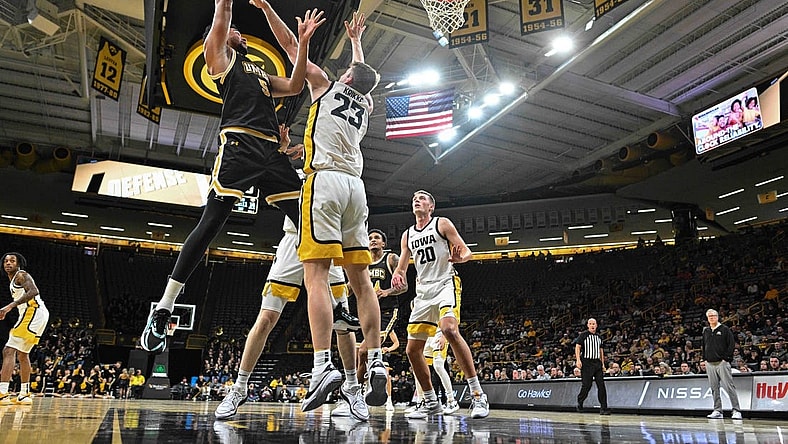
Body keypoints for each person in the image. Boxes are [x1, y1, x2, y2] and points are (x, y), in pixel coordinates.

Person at [139, 0, 322, 353]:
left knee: (310, 223)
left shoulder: (260, 74)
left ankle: (338, 300)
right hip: (238, 147)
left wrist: (304, 44)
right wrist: (226, 7)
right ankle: (164, 308)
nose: (239, 32)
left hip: (271, 153)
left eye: (239, 32)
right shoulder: (220, 60)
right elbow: (223, 12)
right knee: (210, 224)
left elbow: (297, 85)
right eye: (234, 30)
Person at [251, 1, 387, 412]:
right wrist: (357, 43)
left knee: (316, 276)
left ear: (345, 76)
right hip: (356, 189)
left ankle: (320, 365)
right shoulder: (364, 104)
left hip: (324, 181)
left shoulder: (327, 85)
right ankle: (377, 359)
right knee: (361, 281)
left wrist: (267, 9)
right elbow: (362, 76)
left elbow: (293, 46)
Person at [215, 216, 366, 421]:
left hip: (327, 240)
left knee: (342, 325)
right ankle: (239, 388)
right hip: (294, 239)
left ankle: (352, 388)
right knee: (266, 317)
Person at [391, 190, 490, 419]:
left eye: (423, 198)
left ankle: (477, 395)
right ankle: (430, 401)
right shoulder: (407, 235)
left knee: (448, 329)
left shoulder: (441, 224)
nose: (417, 199)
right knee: (412, 350)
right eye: (415, 197)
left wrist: (459, 258)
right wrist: (398, 275)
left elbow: (466, 251)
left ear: (431, 207)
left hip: (446, 282)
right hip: (423, 292)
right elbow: (402, 266)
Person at [354, 228, 407, 412]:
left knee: (363, 351)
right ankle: (360, 393)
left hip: (386, 312)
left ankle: (356, 394)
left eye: (377, 237)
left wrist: (387, 292)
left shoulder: (390, 258)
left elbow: (404, 286)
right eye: (370, 238)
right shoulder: (363, 262)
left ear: (383, 243)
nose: (373, 240)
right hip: (367, 312)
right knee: (361, 354)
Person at [0, 252, 50, 405]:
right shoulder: (13, 279)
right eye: (6, 261)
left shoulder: (21, 275)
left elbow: (34, 291)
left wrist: (10, 306)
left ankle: (2, 393)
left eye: (12, 261)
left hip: (33, 311)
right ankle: (24, 394)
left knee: (8, 351)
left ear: (18, 263)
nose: (8, 263)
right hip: (38, 313)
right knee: (22, 354)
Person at [702, 309, 742, 420]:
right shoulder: (706, 331)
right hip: (710, 363)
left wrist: (726, 359)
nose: (711, 318)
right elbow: (703, 346)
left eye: (713, 315)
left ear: (717, 316)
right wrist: (704, 359)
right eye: (709, 316)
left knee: (729, 387)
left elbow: (731, 344)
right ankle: (717, 410)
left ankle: (736, 410)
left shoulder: (724, 329)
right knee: (714, 388)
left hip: (722, 363)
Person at [574, 318, 610, 415]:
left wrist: (602, 364)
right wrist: (578, 360)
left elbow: (601, 351)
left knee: (601, 385)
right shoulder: (583, 335)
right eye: (590, 323)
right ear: (588, 325)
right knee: (587, 386)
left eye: (594, 323)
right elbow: (577, 347)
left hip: (597, 363)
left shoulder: (599, 337)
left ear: (596, 325)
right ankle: (580, 401)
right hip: (586, 363)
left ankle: (603, 408)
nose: (592, 325)